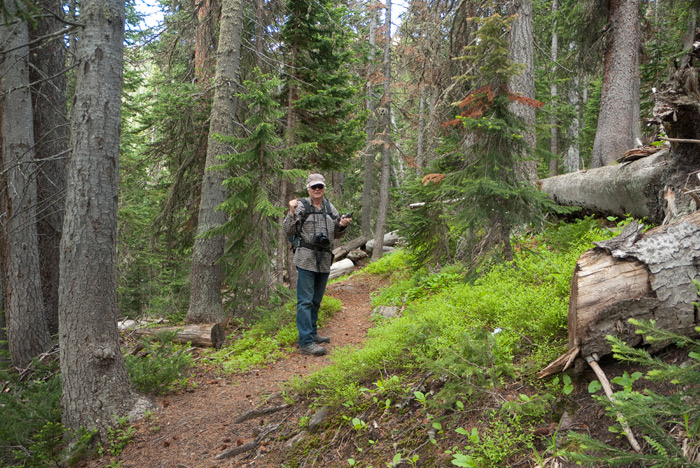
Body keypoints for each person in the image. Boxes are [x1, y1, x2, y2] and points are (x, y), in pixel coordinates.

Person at [284, 173, 352, 356]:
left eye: (320, 186)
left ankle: (312, 333)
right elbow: (287, 230)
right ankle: (305, 342)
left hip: (323, 260)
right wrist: (291, 212)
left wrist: (342, 224)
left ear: (324, 188)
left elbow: (337, 233)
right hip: (305, 257)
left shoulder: (330, 207)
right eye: (313, 187)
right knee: (305, 301)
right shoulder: (300, 206)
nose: (317, 190)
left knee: (315, 300)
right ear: (308, 188)